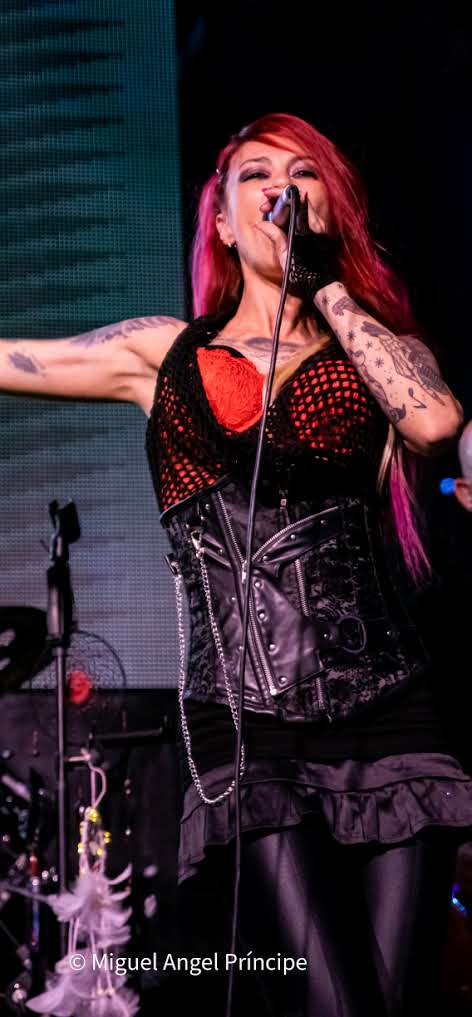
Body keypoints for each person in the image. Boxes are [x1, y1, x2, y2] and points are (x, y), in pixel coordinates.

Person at [2, 112, 472, 1016]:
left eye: (303, 174)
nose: (279, 188)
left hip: (393, 717)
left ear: (329, 206)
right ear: (221, 221)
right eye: (255, 174)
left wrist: (324, 284)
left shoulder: (374, 352)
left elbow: (433, 422)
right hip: (246, 725)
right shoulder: (162, 354)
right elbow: (18, 360)